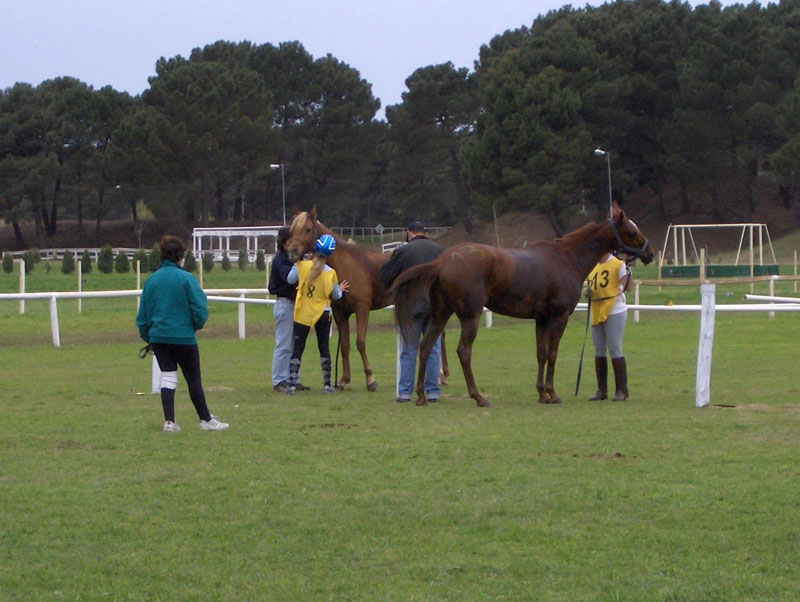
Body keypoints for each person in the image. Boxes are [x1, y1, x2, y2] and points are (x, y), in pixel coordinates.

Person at [136, 235, 229, 432]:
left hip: (159, 337)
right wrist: (194, 326)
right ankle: (205, 419)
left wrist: (149, 336)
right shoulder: (187, 279)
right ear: (181, 256)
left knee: (168, 377)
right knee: (193, 379)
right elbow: (200, 309)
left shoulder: (151, 281)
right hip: (184, 337)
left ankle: (169, 422)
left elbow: (143, 315)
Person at [379, 221, 444, 403]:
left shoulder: (402, 252)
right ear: (426, 234)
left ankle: (405, 392)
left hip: (409, 307)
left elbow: (384, 276)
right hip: (435, 308)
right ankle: (432, 392)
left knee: (408, 350)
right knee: (433, 349)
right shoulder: (440, 251)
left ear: (409, 233)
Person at [285, 234, 350, 395]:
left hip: (303, 312)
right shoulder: (330, 273)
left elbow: (290, 280)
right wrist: (340, 290)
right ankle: (327, 385)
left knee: (298, 348)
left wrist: (300, 262)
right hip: (322, 312)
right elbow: (336, 296)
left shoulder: (302, 266)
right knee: (324, 348)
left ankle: (292, 384)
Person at [585, 252, 631, 401]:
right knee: (599, 350)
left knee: (614, 349)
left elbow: (628, 287)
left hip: (614, 310)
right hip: (597, 309)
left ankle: (621, 390)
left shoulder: (618, 264)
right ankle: (601, 390)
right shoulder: (593, 266)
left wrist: (629, 273)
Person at [268, 226, 308, 393]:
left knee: (292, 344)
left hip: (294, 303)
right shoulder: (281, 260)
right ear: (285, 242)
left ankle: (292, 378)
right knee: (284, 344)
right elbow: (290, 279)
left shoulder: (288, 258)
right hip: (285, 303)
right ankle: (279, 380)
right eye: (292, 240)